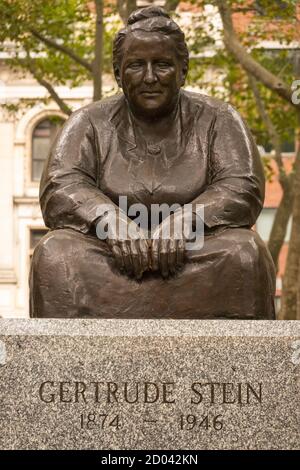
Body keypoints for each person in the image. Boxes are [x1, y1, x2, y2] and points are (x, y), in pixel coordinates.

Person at [30, 6, 276, 319]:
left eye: (161, 65)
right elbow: (60, 185)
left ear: (182, 71)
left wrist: (186, 221)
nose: (149, 77)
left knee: (245, 253)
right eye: (136, 66)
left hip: (195, 255)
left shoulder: (220, 119)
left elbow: (243, 186)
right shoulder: (87, 123)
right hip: (108, 258)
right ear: (119, 73)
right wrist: (110, 220)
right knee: (53, 254)